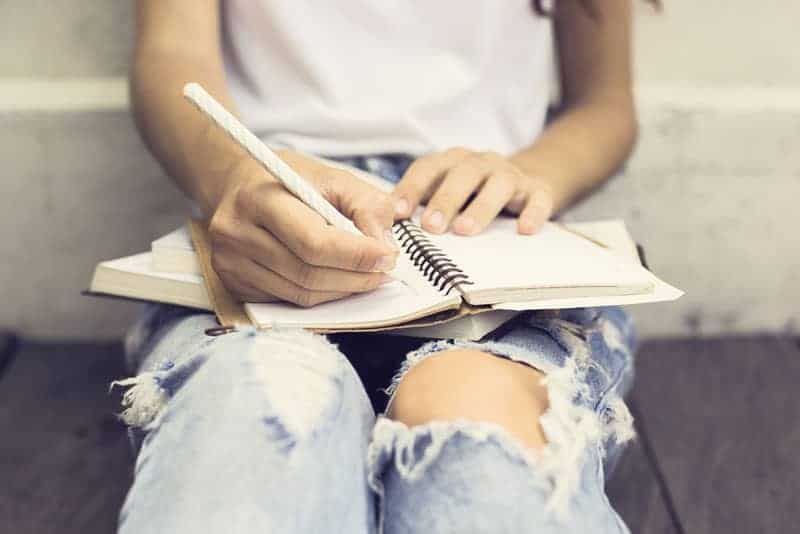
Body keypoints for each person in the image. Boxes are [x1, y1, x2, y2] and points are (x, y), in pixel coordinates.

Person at [116, 1, 652, 532]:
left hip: (492, 232)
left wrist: (525, 176)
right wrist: (235, 177)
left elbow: (604, 104)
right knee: (257, 397)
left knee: (473, 416)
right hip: (268, 219)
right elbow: (173, 55)